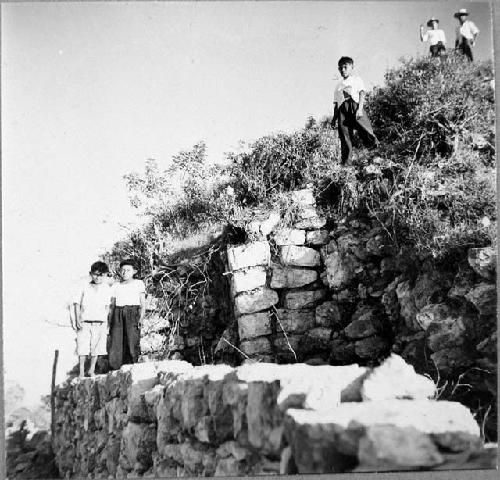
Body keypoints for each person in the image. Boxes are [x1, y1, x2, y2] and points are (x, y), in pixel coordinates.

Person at [331, 56, 378, 165]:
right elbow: (336, 104)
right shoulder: (337, 86)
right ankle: (346, 163)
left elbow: (362, 93)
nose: (343, 70)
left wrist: (360, 109)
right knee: (345, 135)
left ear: (351, 67)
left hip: (354, 105)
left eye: (345, 67)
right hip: (342, 110)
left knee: (364, 128)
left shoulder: (356, 79)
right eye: (340, 68)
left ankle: (375, 150)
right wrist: (334, 119)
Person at [72, 261, 112, 378]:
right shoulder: (84, 286)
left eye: (101, 275)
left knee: (97, 347)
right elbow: (76, 303)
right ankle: (81, 371)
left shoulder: (106, 288)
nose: (98, 277)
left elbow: (107, 306)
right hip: (85, 321)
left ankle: (91, 369)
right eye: (95, 274)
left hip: (100, 322)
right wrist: (77, 319)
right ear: (91, 273)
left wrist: (106, 322)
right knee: (82, 346)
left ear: (105, 275)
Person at [108, 259, 146, 370]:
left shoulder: (139, 283)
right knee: (116, 340)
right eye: (123, 270)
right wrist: (109, 321)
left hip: (132, 312)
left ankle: (133, 366)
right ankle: (116, 368)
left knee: (132, 339)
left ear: (134, 271)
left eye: (128, 270)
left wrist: (141, 318)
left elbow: (143, 304)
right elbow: (112, 305)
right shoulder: (116, 285)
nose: (125, 273)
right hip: (118, 313)